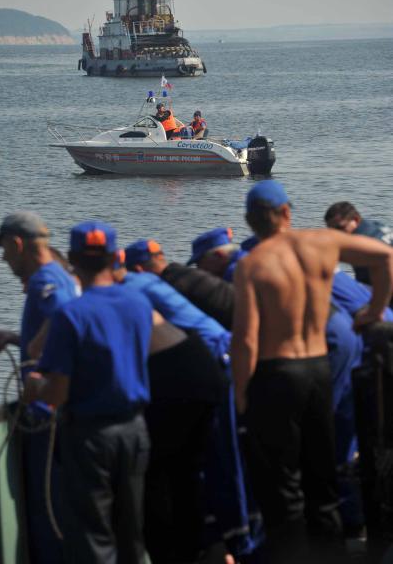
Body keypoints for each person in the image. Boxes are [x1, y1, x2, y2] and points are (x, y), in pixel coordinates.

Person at [231, 180, 393, 562]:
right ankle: (331, 551)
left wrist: (241, 393)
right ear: (287, 212)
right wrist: (375, 308)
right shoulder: (322, 243)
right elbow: (385, 258)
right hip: (318, 367)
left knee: (283, 475)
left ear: (250, 221)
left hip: (277, 371)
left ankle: (290, 555)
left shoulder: (251, 265)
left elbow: (246, 340)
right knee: (322, 468)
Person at [124, 241, 264, 564]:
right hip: (223, 359)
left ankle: (239, 544)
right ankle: (235, 539)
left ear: (138, 269)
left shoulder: (143, 286)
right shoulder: (181, 280)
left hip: (220, 360)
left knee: (223, 459)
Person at [23, 221, 153, 564]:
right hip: (136, 431)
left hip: (90, 436)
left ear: (72, 259)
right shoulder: (139, 304)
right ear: (113, 257)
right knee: (132, 532)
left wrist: (34, 385)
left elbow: (56, 393)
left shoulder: (71, 315)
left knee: (93, 536)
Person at [0, 211, 78, 564]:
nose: (4, 259)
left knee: (45, 507)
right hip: (60, 407)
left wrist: (35, 351)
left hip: (47, 411)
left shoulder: (44, 280)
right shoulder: (60, 275)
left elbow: (66, 317)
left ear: (17, 244)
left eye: (4, 250)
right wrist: (14, 338)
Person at [324, 201, 393, 288]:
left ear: (356, 219)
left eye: (340, 228)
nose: (336, 234)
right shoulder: (375, 225)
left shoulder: (361, 240)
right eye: (331, 231)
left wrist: (378, 302)